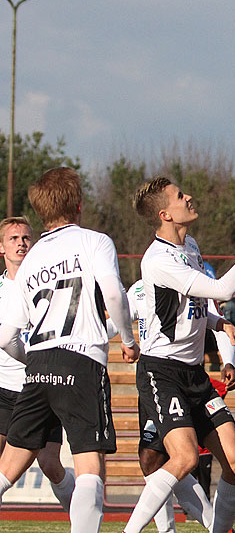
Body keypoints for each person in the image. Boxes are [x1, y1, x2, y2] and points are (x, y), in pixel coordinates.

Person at [122, 176, 235, 533]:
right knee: (181, 458)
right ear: (165, 214)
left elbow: (199, 303)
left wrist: (219, 323)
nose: (189, 197)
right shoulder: (158, 260)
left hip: (194, 374)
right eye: (180, 196)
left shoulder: (191, 246)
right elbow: (223, 288)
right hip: (162, 372)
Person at [0, 167, 138, 532]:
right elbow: (113, 294)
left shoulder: (29, 260)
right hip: (80, 361)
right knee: (90, 466)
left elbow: (8, 336)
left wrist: (35, 361)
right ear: (79, 204)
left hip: (39, 363)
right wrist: (127, 339)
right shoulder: (94, 241)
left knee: (8, 466)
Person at [123, 279, 235, 533]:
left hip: (193, 378)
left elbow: (215, 318)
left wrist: (228, 361)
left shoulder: (198, 282)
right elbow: (118, 314)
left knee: (225, 460)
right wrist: (126, 339)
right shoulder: (142, 286)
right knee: (153, 458)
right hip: (159, 378)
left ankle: (220, 528)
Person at [0, 217, 75, 512]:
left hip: (41, 387)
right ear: (1, 247)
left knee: (50, 464)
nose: (21, 243)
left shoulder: (50, 284)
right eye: (14, 238)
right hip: (5, 387)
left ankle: (80, 519)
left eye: (26, 238)